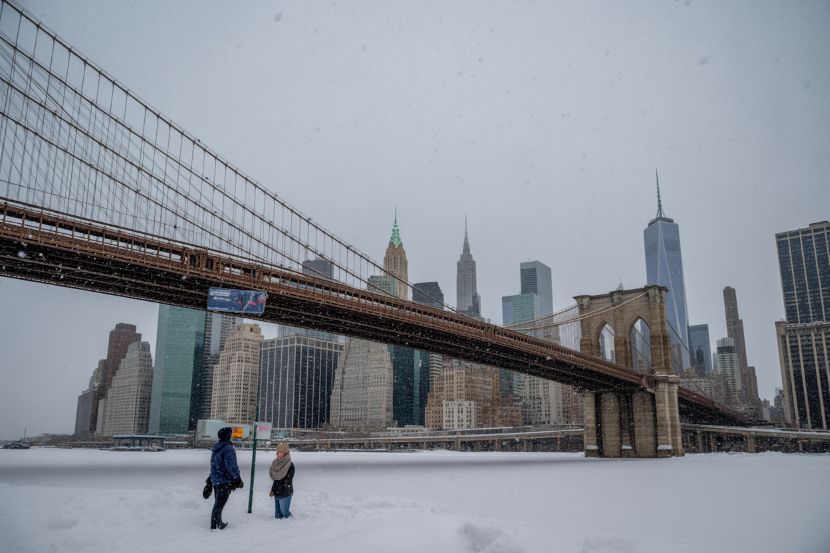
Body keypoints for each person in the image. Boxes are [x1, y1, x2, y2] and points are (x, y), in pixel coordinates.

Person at [209, 427, 243, 530]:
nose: (231, 435)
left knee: (218, 504)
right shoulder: (228, 448)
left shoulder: (217, 448)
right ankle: (215, 526)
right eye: (230, 434)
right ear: (228, 436)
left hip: (217, 480)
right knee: (219, 505)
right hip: (224, 480)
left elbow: (214, 465)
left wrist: (210, 479)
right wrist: (237, 478)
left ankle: (218, 523)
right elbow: (231, 466)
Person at [268, 442, 295, 519]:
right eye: (277, 451)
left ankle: (293, 523)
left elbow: (287, 481)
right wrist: (273, 490)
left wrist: (281, 490)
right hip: (277, 492)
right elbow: (276, 480)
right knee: (278, 515)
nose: (278, 453)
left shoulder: (290, 465)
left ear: (285, 453)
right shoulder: (275, 464)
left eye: (280, 452)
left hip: (285, 493)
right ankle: (278, 526)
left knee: (285, 513)